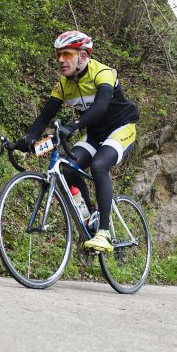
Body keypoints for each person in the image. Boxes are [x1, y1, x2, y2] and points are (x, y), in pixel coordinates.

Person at [12, 30, 139, 253]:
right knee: (70, 168)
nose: (61, 60)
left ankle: (104, 233)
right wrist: (27, 141)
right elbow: (44, 117)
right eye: (59, 55)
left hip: (121, 128)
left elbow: (100, 107)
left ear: (83, 56)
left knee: (99, 165)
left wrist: (73, 127)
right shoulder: (63, 84)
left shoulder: (103, 73)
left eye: (67, 54)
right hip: (95, 133)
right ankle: (90, 217)